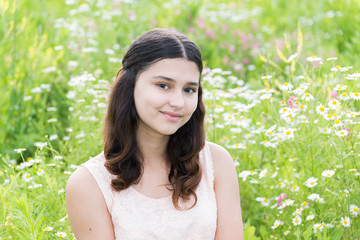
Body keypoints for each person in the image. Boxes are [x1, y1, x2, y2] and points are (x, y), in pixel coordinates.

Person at [66, 28, 244, 240]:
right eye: (163, 85)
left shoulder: (216, 163)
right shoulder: (89, 184)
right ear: (129, 86)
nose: (178, 103)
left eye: (189, 90)